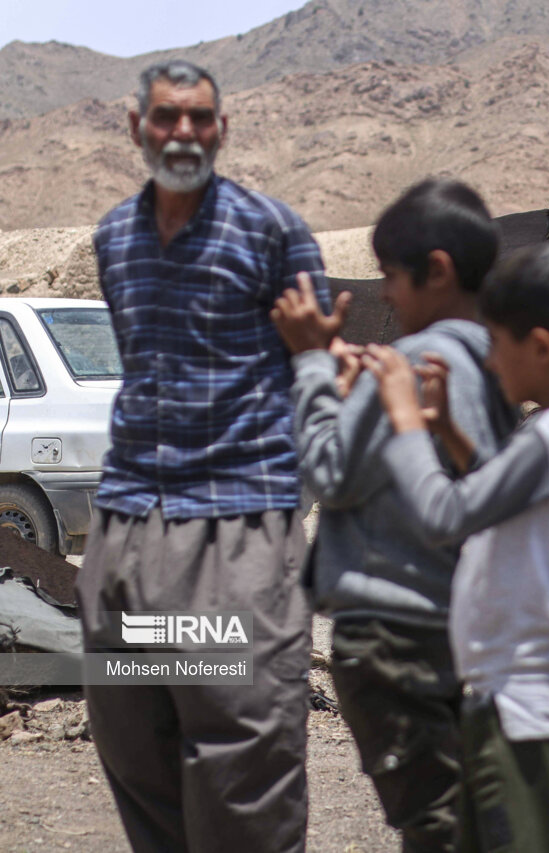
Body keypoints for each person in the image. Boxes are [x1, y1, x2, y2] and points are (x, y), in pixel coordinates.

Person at [76, 60, 331, 852]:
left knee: (238, 760)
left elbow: (314, 363)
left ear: (220, 129)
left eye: (198, 119)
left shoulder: (273, 232)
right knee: (134, 744)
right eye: (165, 117)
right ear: (137, 127)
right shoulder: (114, 235)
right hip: (123, 532)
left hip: (233, 535)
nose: (182, 133)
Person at [271, 178, 517, 851]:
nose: (383, 294)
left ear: (436, 271)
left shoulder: (414, 363)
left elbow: (330, 472)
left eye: (390, 276)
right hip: (460, 629)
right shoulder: (494, 366)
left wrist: (315, 368)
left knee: (433, 824)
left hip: (394, 639)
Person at [361, 240, 549, 853]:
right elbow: (496, 491)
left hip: (523, 709)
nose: (490, 361)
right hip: (507, 700)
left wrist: (402, 424)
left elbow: (446, 513)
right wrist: (447, 427)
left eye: (497, 344)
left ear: (540, 348)